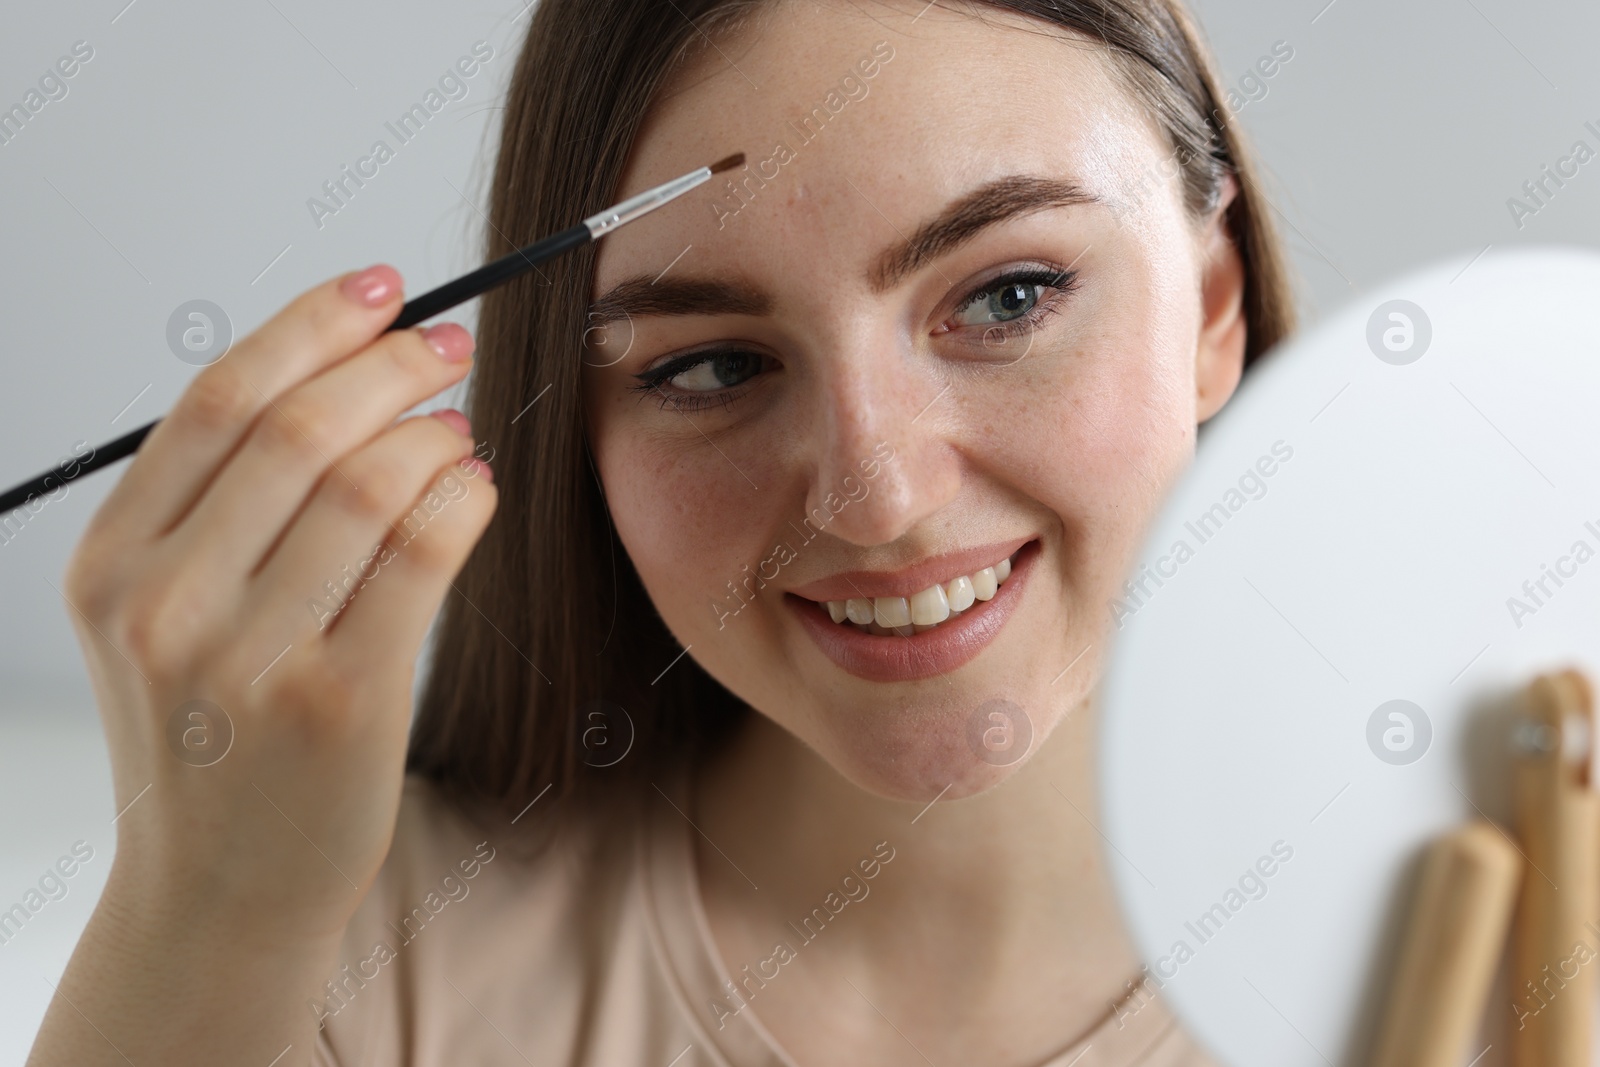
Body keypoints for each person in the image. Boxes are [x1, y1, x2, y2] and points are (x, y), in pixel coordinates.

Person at [27, 0, 1295, 1064]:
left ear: (1213, 308)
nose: (878, 497)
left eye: (1009, 294)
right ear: (574, 431)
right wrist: (205, 910)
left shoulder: (1465, 920)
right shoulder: (341, 954)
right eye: (714, 365)